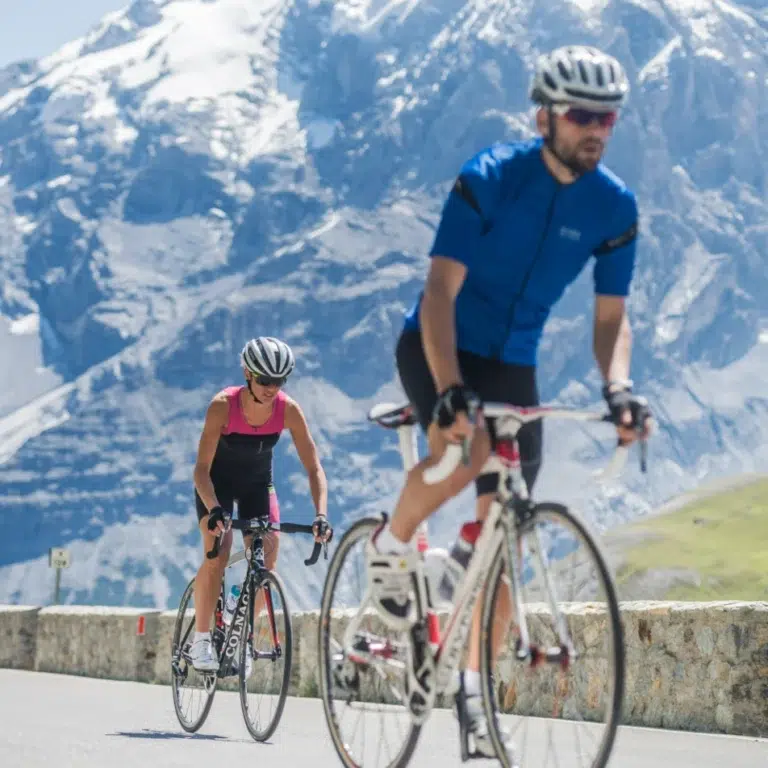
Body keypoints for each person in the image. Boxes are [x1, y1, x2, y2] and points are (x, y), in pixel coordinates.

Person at [366, 45, 652, 760]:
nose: (597, 129)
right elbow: (439, 291)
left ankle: (473, 693)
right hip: (439, 342)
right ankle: (390, 546)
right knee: (465, 455)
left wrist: (618, 387)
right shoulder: (490, 177)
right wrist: (448, 389)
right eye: (582, 115)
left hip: (513, 364)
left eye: (608, 117)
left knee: (507, 537)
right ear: (544, 116)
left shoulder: (614, 206)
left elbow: (611, 318)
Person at [189, 336, 332, 671]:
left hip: (257, 486)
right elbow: (200, 470)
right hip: (217, 487)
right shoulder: (223, 406)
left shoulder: (288, 410)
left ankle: (243, 640)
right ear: (247, 374)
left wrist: (321, 514)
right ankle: (201, 640)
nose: (272, 388)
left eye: (279, 381)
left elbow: (314, 467)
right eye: (265, 380)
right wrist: (214, 508)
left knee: (267, 559)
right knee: (218, 552)